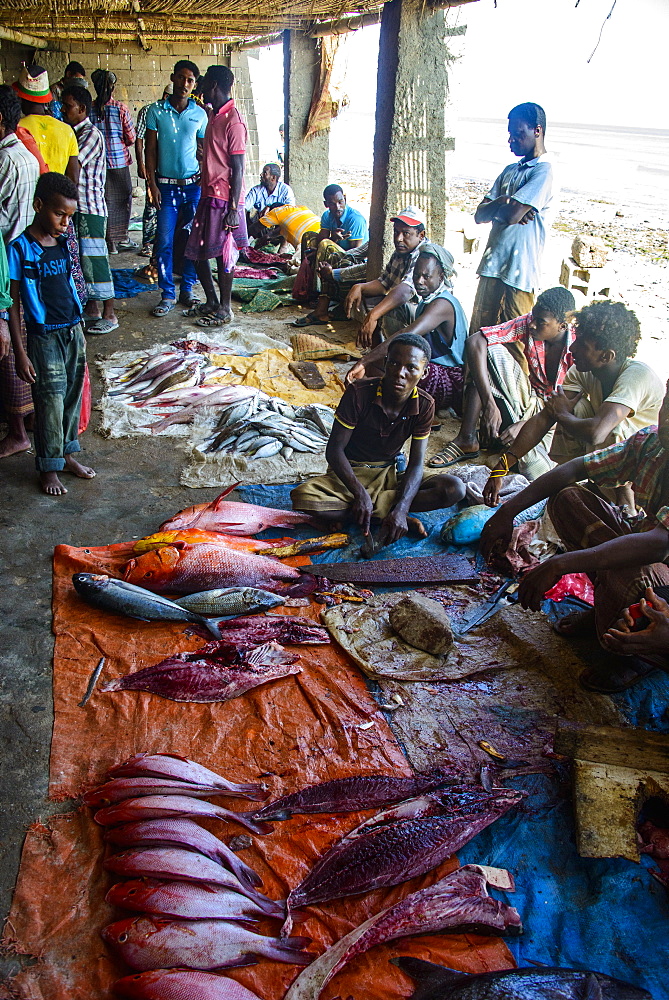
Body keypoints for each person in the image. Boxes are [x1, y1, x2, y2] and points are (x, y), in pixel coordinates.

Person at [479, 379, 669, 693]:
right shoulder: (652, 444)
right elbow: (572, 470)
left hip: (660, 571)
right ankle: (606, 610)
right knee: (568, 499)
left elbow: (659, 544)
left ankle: (636, 655)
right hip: (649, 548)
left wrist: (557, 565)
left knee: (631, 573)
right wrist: (505, 512)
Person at [482, 300, 664, 510]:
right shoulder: (582, 371)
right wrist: (500, 469)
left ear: (606, 356)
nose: (572, 348)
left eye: (582, 345)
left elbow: (597, 433)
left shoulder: (637, 375)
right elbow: (544, 418)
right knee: (574, 409)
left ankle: (626, 508)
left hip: (649, 469)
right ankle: (577, 484)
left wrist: (562, 415)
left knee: (606, 427)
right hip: (612, 459)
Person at [292, 331, 465, 546]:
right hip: (350, 474)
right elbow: (334, 451)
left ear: (424, 372)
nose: (400, 373)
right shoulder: (359, 393)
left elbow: (417, 464)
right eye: (394, 363)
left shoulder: (425, 404)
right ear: (385, 363)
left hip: (389, 474)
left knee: (453, 489)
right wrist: (360, 494)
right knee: (304, 499)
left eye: (411, 367)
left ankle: (388, 514)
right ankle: (383, 514)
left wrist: (401, 509)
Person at [8, 172, 94, 496]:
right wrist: (20, 351)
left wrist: (80, 323)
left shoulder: (61, 243)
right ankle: (48, 466)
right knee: (50, 403)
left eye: (69, 217)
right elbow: (13, 304)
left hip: (73, 330)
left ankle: (68, 455)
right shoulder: (20, 249)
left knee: (72, 397)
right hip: (44, 338)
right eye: (60, 214)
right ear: (39, 205)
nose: (64, 223)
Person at [429, 286, 576, 472]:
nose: (532, 325)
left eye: (541, 322)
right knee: (487, 351)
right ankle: (467, 438)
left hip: (554, 420)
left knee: (534, 470)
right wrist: (489, 404)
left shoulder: (577, 350)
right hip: (529, 399)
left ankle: (504, 443)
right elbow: (475, 341)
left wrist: (525, 426)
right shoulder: (530, 324)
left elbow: (572, 410)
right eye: (533, 317)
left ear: (562, 326)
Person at [347, 244, 469, 414]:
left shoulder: (443, 304)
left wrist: (363, 361)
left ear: (441, 277)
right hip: (435, 368)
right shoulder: (427, 301)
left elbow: (406, 335)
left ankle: (421, 410)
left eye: (426, 276)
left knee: (404, 369)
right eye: (417, 275)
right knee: (392, 365)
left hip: (449, 378)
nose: (419, 281)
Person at [470, 102, 554, 334]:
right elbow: (479, 214)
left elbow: (512, 215)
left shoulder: (544, 170)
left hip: (520, 272)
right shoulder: (510, 170)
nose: (511, 140)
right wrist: (504, 202)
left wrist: (505, 209)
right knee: (478, 334)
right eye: (510, 135)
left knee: (515, 342)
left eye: (518, 134)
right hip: (492, 264)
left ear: (537, 131)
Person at [184, 64, 249, 328]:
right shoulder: (213, 116)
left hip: (224, 199)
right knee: (196, 252)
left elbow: (238, 168)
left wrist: (233, 207)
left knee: (224, 254)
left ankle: (225, 308)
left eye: (203, 84)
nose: (199, 89)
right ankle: (211, 301)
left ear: (213, 86)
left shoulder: (233, 120)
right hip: (209, 194)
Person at [143, 61, 208, 317]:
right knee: (164, 241)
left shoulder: (199, 114)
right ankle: (167, 294)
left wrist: (205, 176)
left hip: (192, 187)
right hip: (166, 188)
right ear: (172, 78)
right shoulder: (156, 111)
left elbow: (204, 151)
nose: (184, 84)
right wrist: (152, 185)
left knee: (193, 240)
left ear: (195, 84)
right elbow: (150, 150)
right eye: (180, 78)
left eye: (190, 80)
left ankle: (187, 289)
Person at [0, 85, 40, 459]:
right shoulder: (23, 153)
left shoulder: (4, 160)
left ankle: (17, 431)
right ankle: (25, 421)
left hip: (8, 263)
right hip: (21, 259)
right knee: (20, 343)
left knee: (10, 349)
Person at [61, 84, 118, 335]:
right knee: (83, 261)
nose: (63, 110)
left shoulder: (90, 135)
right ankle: (93, 309)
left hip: (90, 207)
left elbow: (72, 164)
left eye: (67, 106)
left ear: (82, 109)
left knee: (97, 261)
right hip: (80, 207)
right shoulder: (74, 133)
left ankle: (110, 313)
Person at [345, 206, 427, 349]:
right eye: (396, 232)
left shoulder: (424, 254)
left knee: (394, 308)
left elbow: (405, 291)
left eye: (406, 233)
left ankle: (399, 352)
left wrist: (373, 315)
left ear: (421, 235)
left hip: (427, 316)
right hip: (412, 309)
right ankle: (376, 355)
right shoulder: (400, 252)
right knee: (367, 297)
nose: (398, 238)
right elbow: (384, 284)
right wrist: (359, 287)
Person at [292, 183, 368, 327]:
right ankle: (308, 285)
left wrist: (328, 246)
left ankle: (319, 296)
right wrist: (333, 238)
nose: (338, 207)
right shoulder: (327, 216)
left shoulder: (355, 219)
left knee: (326, 247)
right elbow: (322, 238)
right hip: (338, 251)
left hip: (353, 259)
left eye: (340, 202)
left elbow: (356, 253)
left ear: (345, 198)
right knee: (309, 237)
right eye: (333, 204)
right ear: (326, 204)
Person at [90, 69, 136, 254]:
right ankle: (119, 239)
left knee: (103, 201)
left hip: (97, 164)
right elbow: (131, 137)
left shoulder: (89, 108)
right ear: (112, 87)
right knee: (121, 202)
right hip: (118, 163)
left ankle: (108, 242)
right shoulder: (120, 108)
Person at [15, 65, 79, 181]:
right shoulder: (67, 130)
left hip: (30, 196)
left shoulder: (17, 128)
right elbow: (73, 179)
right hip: (56, 197)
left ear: (20, 97)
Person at [135, 83, 172, 272]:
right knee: (151, 206)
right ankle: (148, 244)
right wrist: (142, 166)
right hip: (155, 169)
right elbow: (140, 140)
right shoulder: (149, 111)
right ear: (165, 95)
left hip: (171, 173)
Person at [256, 202, 321, 252]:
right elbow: (272, 234)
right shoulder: (302, 209)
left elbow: (253, 229)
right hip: (325, 240)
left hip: (309, 247)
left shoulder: (277, 212)